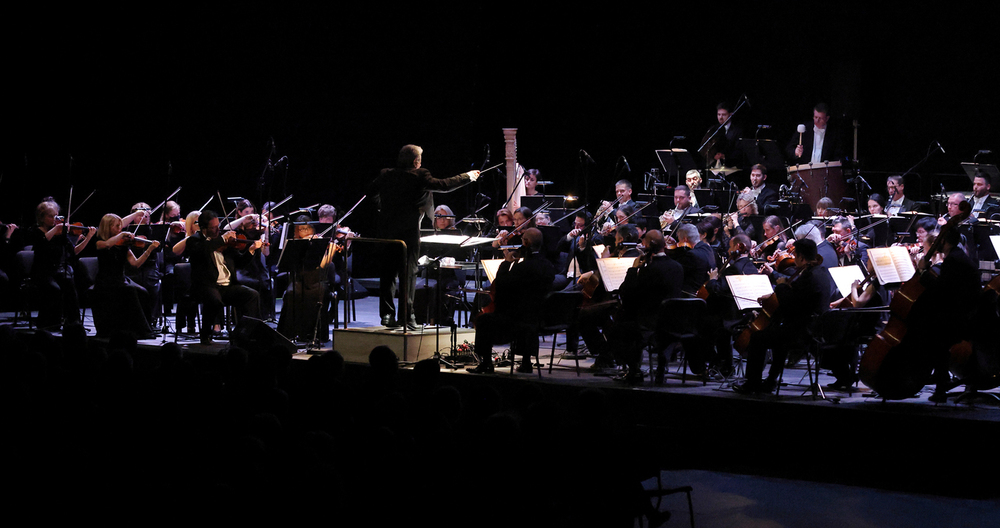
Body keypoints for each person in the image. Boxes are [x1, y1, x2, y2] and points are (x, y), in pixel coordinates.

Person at [368, 144, 479, 330]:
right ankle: (406, 316)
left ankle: (387, 315)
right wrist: (468, 176)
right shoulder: (420, 175)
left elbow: (369, 192)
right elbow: (444, 186)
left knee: (387, 274)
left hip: (386, 231)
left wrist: (382, 207)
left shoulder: (386, 174)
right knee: (408, 274)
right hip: (408, 232)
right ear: (415, 161)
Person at [734, 238, 833, 394]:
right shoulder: (821, 272)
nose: (794, 260)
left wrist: (781, 286)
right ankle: (770, 381)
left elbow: (790, 305)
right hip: (815, 330)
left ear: (801, 257)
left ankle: (752, 383)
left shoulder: (808, 277)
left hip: (803, 333)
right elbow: (800, 297)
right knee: (778, 336)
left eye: (795, 257)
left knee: (758, 338)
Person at [467, 228, 554, 374]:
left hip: (517, 319)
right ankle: (526, 362)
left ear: (526, 242)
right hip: (539, 318)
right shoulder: (548, 266)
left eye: (522, 240)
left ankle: (486, 363)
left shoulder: (523, 267)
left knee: (483, 320)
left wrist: (506, 263)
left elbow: (500, 285)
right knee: (525, 313)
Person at [185, 209, 261, 345]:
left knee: (252, 295)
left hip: (227, 286)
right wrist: (221, 239)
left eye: (218, 226)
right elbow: (203, 250)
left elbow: (240, 262)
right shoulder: (194, 241)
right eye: (213, 228)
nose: (217, 230)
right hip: (206, 286)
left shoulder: (225, 243)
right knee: (214, 300)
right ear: (203, 228)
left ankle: (243, 333)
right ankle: (206, 334)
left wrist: (251, 251)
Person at [27, 200, 96, 330]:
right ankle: (49, 323)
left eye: (57, 215)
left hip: (58, 270)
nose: (55, 219)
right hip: (42, 272)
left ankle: (73, 324)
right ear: (41, 218)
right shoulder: (36, 231)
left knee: (71, 287)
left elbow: (74, 251)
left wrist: (88, 238)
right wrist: (55, 229)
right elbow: (41, 243)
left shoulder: (60, 234)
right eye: (50, 216)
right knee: (54, 290)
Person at [93, 213, 160, 338]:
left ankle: (140, 328)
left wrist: (149, 249)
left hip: (121, 279)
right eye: (117, 226)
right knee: (130, 292)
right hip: (106, 281)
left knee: (144, 292)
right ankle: (142, 330)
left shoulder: (123, 245)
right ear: (108, 227)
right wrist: (121, 234)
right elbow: (107, 245)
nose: (120, 229)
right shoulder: (99, 242)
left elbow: (135, 264)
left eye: (120, 226)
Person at [277, 215, 339, 343]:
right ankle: (291, 332)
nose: (305, 232)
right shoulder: (293, 244)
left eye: (307, 228)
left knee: (317, 294)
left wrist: (330, 252)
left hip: (317, 280)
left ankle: (313, 334)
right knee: (292, 293)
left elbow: (322, 265)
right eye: (301, 229)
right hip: (299, 279)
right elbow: (288, 262)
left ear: (313, 229)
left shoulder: (319, 242)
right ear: (297, 232)